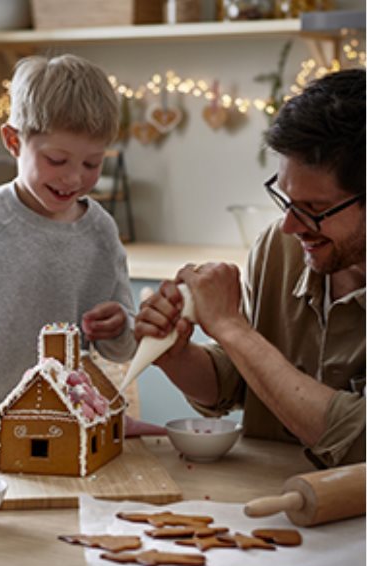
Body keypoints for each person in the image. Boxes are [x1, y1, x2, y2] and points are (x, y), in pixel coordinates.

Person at [0, 54, 138, 465]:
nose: (74, 178)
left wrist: (120, 325)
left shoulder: (102, 232)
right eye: (57, 161)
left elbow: (123, 350)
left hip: (60, 425)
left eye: (92, 163)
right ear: (13, 141)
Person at [135, 68, 365, 468]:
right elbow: (239, 382)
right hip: (262, 508)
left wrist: (231, 326)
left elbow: (359, 439)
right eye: (286, 199)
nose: (291, 226)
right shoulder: (280, 247)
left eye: (313, 210)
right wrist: (176, 355)